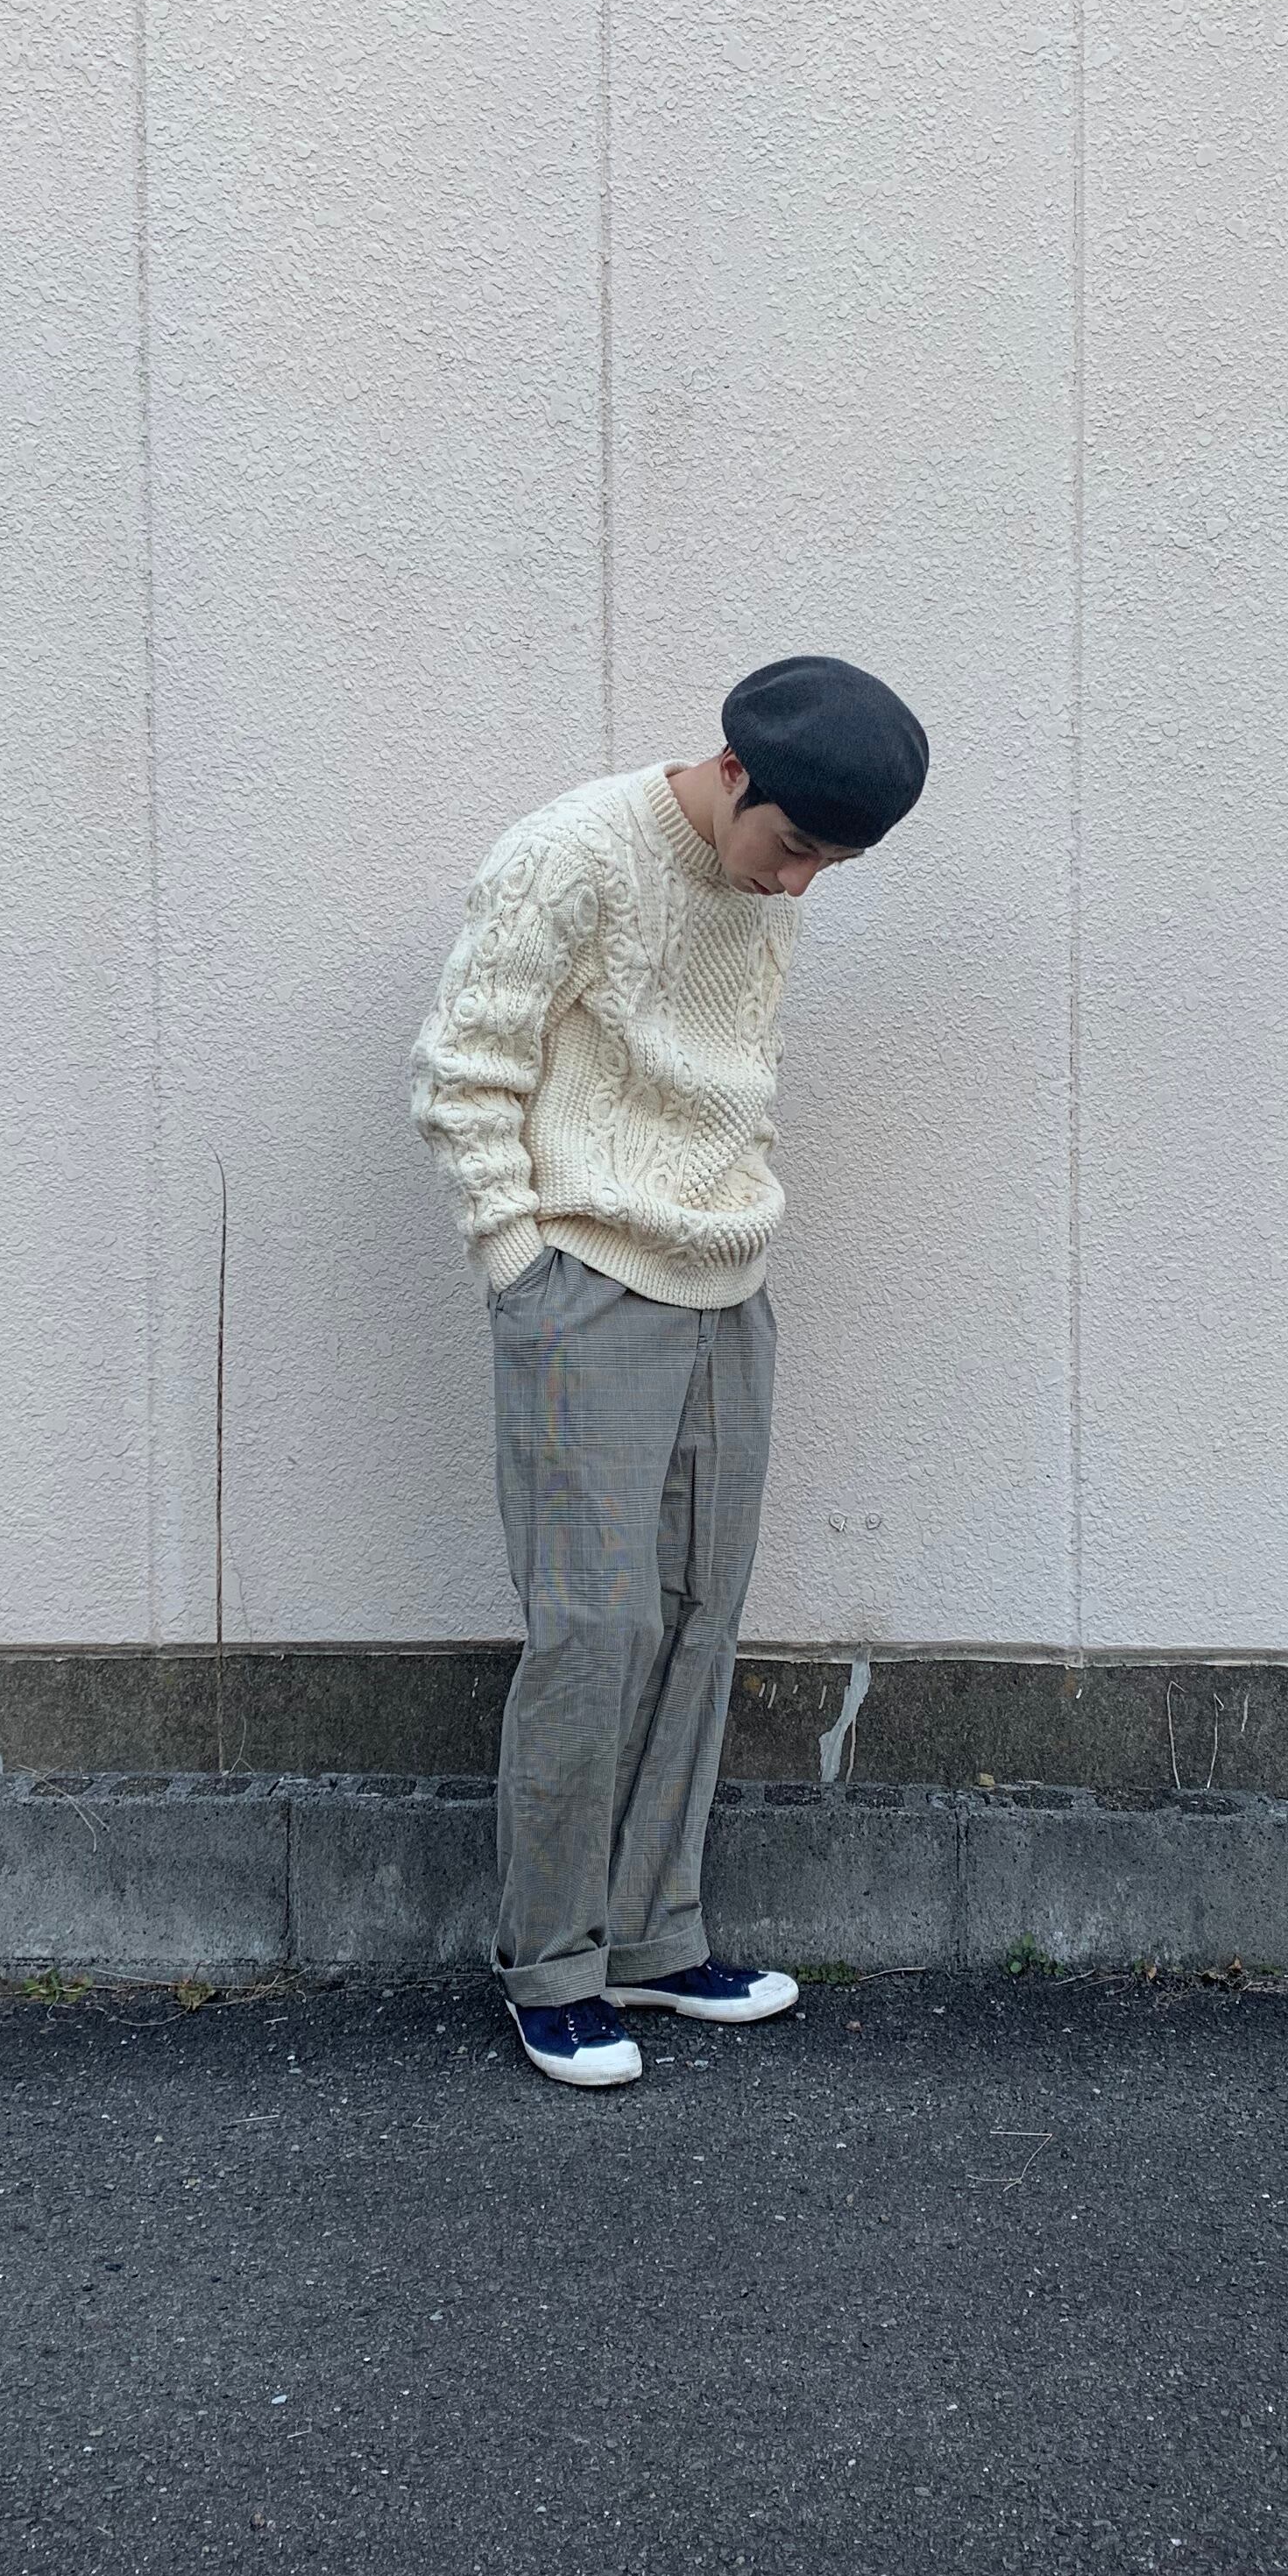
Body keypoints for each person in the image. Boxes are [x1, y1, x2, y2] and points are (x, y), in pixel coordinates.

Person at [410, 655, 930, 2089]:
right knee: (594, 1629)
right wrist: (518, 1263)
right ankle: (552, 1967)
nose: (798, 884)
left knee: (701, 1618)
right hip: (585, 1285)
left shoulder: (766, 879)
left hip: (728, 1283)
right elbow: (463, 1069)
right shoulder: (572, 855)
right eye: (794, 848)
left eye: (831, 868)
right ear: (733, 772)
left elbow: (725, 1063)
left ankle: (652, 1934)